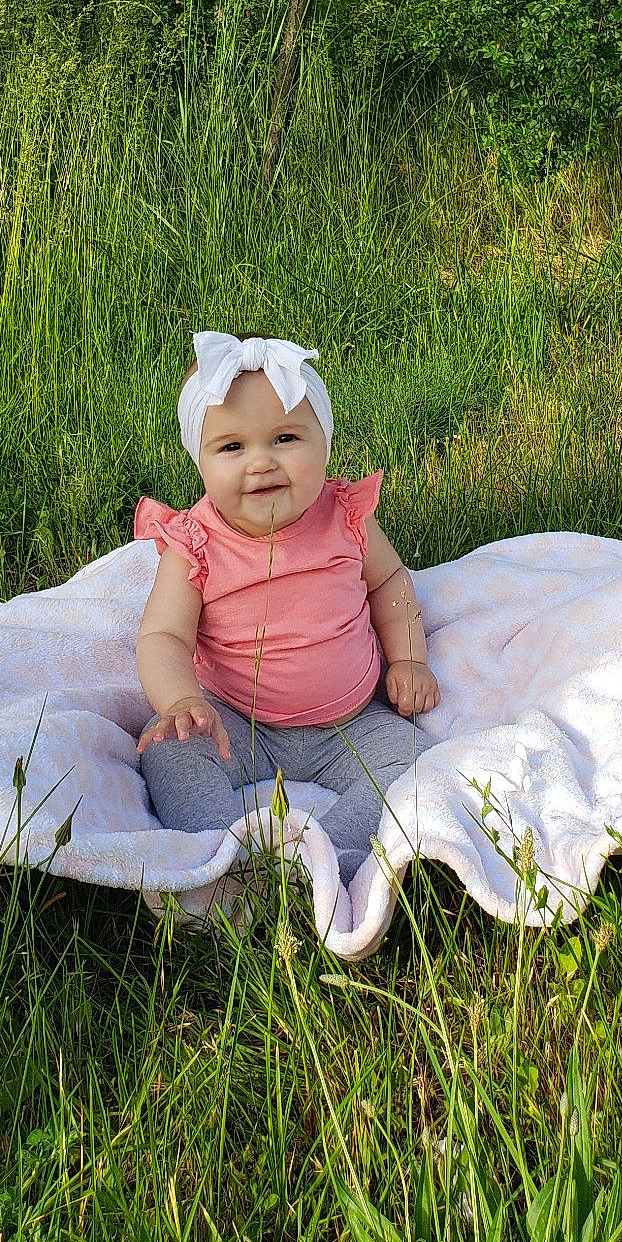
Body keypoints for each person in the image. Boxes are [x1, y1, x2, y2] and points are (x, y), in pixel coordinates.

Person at [134, 331, 440, 886]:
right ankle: (219, 862)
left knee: (414, 761)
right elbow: (163, 637)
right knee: (169, 750)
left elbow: (389, 583)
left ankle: (326, 862)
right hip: (236, 721)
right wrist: (181, 700)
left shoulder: (345, 517)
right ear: (199, 459)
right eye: (232, 447)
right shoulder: (195, 544)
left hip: (352, 724)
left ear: (325, 442)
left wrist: (409, 659)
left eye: (285, 438)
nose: (261, 463)